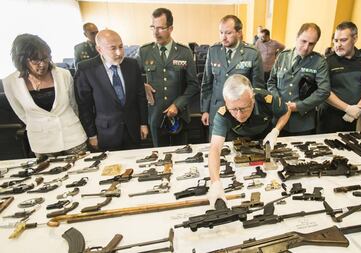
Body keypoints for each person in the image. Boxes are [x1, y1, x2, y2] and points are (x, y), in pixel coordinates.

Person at [207, 74, 290, 205]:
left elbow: (286, 111)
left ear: (252, 100)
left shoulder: (266, 99)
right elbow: (215, 149)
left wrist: (276, 131)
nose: (239, 115)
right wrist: (215, 182)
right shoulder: (222, 114)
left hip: (264, 138)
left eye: (243, 108)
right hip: (239, 141)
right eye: (234, 109)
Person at [2, 34, 87, 157]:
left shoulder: (64, 74)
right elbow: (21, 113)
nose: (42, 64)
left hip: (72, 136)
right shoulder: (10, 82)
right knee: (49, 175)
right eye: (36, 60)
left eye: (45, 58)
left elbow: (74, 105)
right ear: (22, 59)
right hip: (42, 142)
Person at [75, 29, 148, 151]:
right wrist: (91, 134)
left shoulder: (132, 64)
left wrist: (143, 123)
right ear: (99, 49)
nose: (119, 53)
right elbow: (84, 107)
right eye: (113, 48)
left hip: (133, 130)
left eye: (121, 47)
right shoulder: (86, 69)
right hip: (106, 133)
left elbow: (140, 96)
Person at [139, 8, 199, 147]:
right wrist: (143, 85)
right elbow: (134, 78)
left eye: (160, 28)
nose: (155, 32)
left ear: (170, 28)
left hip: (180, 115)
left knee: (181, 156)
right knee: (159, 158)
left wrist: (177, 105)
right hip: (155, 115)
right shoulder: (144, 51)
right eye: (153, 27)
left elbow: (193, 85)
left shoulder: (184, 52)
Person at [201, 15, 265, 137]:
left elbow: (258, 88)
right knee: (216, 150)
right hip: (217, 111)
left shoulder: (251, 53)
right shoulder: (213, 50)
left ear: (239, 32)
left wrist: (253, 114)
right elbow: (207, 83)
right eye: (221, 33)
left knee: (239, 152)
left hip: (240, 114)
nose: (223, 38)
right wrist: (205, 110)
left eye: (228, 33)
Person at [267, 23, 330, 136]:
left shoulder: (319, 62)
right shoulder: (282, 56)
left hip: (302, 123)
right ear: (297, 37)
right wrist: (279, 101)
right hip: (278, 119)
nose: (306, 47)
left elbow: (324, 91)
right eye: (303, 41)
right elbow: (271, 82)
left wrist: (298, 106)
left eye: (311, 44)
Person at [318, 21, 361, 133]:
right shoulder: (327, 61)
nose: (338, 45)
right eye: (336, 40)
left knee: (346, 146)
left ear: (354, 39)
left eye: (343, 40)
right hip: (330, 115)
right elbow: (324, 91)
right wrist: (347, 108)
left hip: (353, 115)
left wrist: (358, 108)